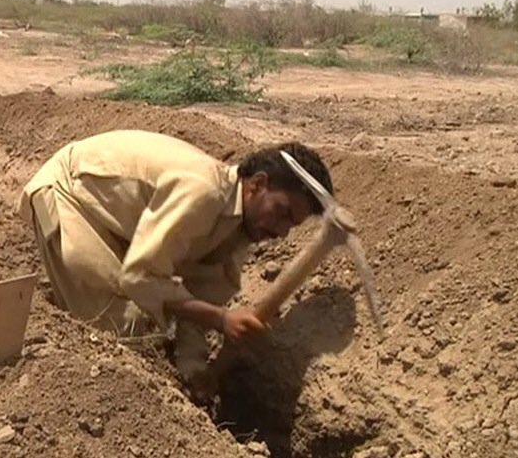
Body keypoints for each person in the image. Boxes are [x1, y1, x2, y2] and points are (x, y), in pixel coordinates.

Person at [17, 130, 333, 395]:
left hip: (118, 223)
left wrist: (194, 372)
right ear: (258, 185)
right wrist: (221, 319)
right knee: (122, 329)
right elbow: (140, 277)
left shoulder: (236, 237)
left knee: (147, 331)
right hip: (68, 194)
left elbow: (198, 307)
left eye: (291, 226)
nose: (280, 231)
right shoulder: (204, 193)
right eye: (282, 213)